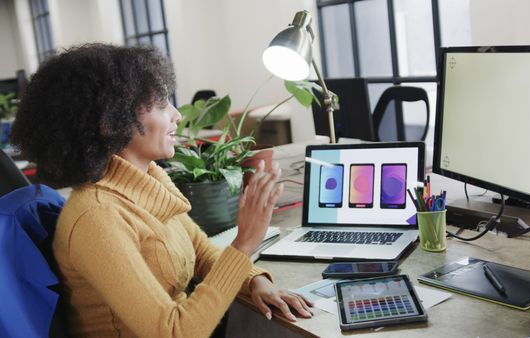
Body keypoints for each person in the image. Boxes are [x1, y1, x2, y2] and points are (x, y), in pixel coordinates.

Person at [10, 43, 313, 337]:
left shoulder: (148, 181)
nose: (176, 115)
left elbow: (201, 251)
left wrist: (254, 280)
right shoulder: (96, 217)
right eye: (159, 105)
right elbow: (173, 332)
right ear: (113, 122)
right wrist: (244, 244)